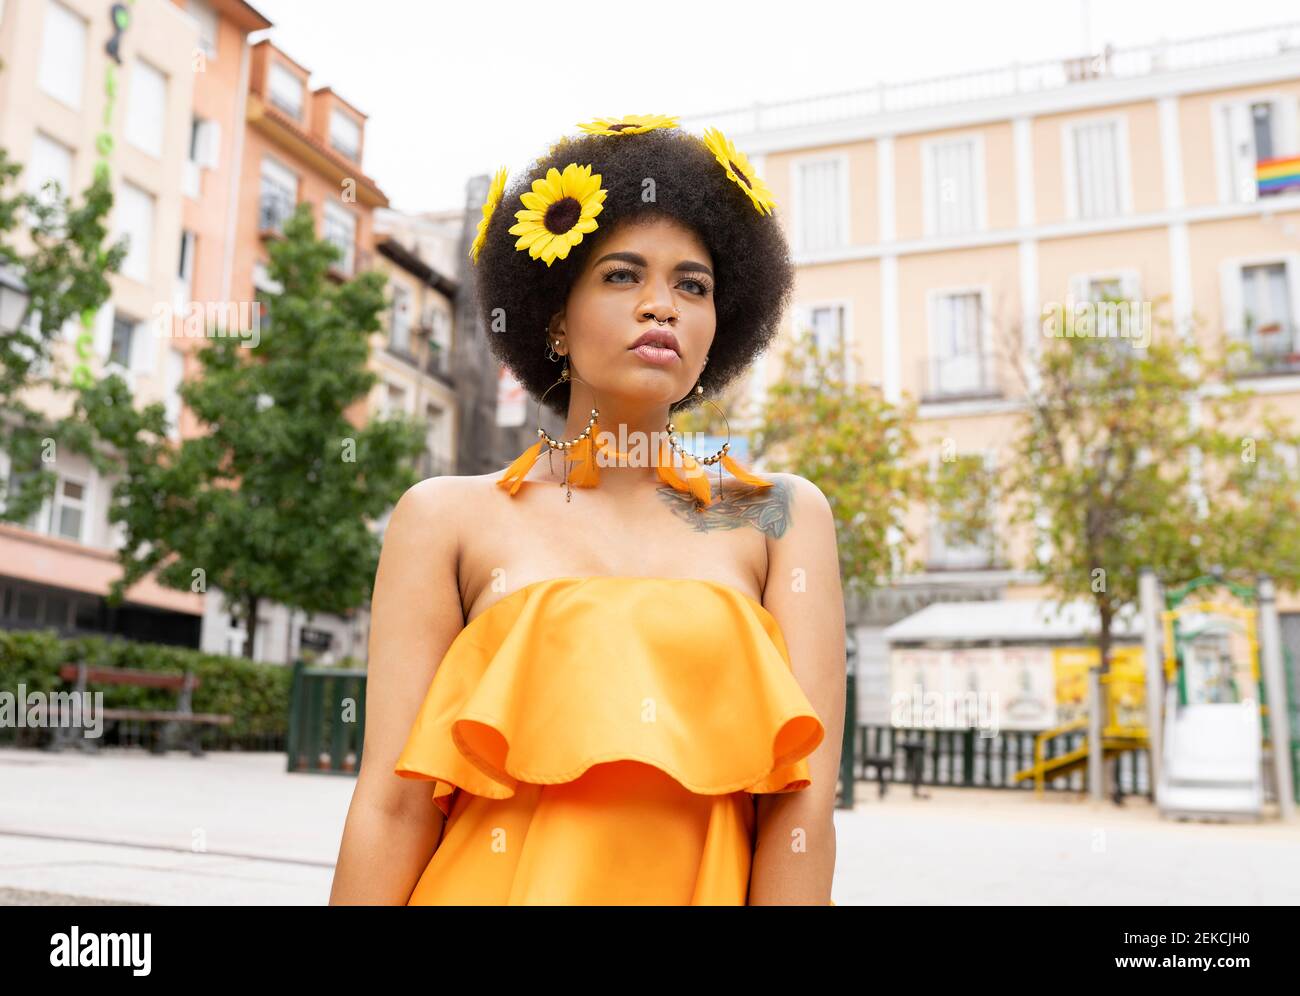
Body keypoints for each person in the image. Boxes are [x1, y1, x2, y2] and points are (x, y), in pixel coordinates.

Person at [329, 116, 846, 905]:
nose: (661, 306)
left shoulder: (780, 517)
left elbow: (801, 810)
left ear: (720, 327)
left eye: (693, 285)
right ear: (555, 321)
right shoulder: (442, 519)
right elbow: (393, 807)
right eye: (621, 275)